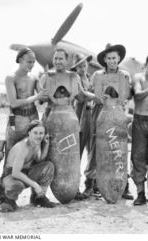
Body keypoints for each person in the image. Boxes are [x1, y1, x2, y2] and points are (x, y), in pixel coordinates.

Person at [41, 48, 95, 200]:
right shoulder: (47, 77)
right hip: (51, 117)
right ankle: (40, 194)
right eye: (56, 58)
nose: (58, 61)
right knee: (49, 156)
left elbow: (82, 96)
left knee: (70, 154)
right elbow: (40, 98)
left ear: (67, 61)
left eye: (61, 59)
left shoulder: (74, 77)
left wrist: (96, 97)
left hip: (69, 118)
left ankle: (72, 189)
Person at [83, 44, 133, 200]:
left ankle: (123, 185)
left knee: (119, 148)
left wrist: (121, 97)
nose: (112, 61)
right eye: (109, 58)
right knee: (95, 146)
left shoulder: (124, 75)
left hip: (117, 112)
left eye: (114, 58)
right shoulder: (97, 74)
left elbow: (129, 94)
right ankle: (90, 183)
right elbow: (90, 93)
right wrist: (96, 96)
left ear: (118, 59)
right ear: (104, 59)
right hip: (100, 111)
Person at [0, 120, 55, 212]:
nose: (38, 136)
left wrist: (46, 144)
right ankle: (9, 201)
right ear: (29, 133)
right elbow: (15, 173)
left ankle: (39, 198)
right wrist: (35, 185)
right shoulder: (22, 147)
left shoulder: (36, 142)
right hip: (11, 176)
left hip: (26, 172)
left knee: (48, 166)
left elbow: (39, 159)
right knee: (17, 185)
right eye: (35, 133)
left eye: (41, 133)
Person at [5, 47, 49, 156]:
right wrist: (36, 97)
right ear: (20, 60)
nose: (32, 64)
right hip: (16, 120)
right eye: (29, 61)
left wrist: (47, 79)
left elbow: (43, 98)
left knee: (32, 151)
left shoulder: (34, 78)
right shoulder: (10, 78)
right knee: (12, 151)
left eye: (34, 62)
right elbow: (13, 103)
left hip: (33, 118)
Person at [130, 55, 148, 205]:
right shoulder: (138, 77)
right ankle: (140, 193)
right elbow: (137, 95)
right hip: (140, 120)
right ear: (145, 66)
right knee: (138, 157)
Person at [70, 53, 93, 162]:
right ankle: (75, 169)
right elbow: (80, 97)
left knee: (91, 143)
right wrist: (93, 95)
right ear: (76, 68)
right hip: (80, 111)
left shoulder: (89, 77)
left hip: (90, 112)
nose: (83, 69)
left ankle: (90, 174)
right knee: (79, 141)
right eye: (80, 66)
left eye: (84, 65)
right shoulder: (75, 77)